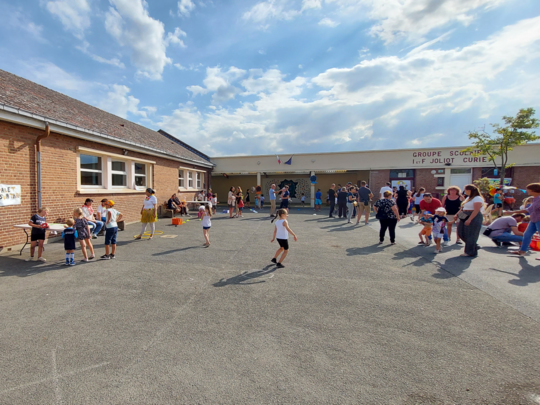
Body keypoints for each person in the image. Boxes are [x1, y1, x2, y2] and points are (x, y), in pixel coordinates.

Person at [506, 183, 540, 258]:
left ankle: (522, 251)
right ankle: (522, 251)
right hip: (534, 219)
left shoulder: (539, 199)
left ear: (534, 190)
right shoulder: (535, 198)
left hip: (538, 220)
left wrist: (512, 212)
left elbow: (529, 210)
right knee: (527, 235)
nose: (527, 191)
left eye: (528, 189)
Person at [456, 184, 485, 257]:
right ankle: (474, 246)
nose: (464, 191)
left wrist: (469, 219)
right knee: (461, 232)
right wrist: (457, 215)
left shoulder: (477, 198)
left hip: (473, 216)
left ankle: (469, 252)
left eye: (465, 190)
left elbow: (476, 210)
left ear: (469, 190)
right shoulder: (469, 198)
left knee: (471, 234)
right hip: (464, 214)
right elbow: (463, 208)